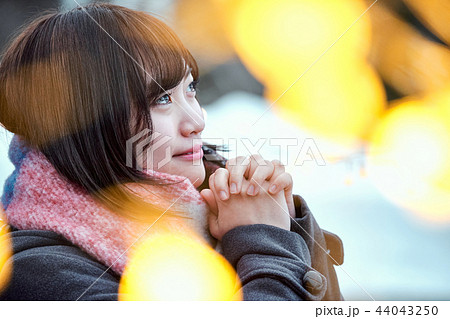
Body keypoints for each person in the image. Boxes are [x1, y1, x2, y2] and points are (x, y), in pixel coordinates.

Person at [0, 3, 343, 301]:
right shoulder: (39, 271)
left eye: (190, 88)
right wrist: (266, 242)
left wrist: (285, 218)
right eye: (161, 99)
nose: (196, 121)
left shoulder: (213, 202)